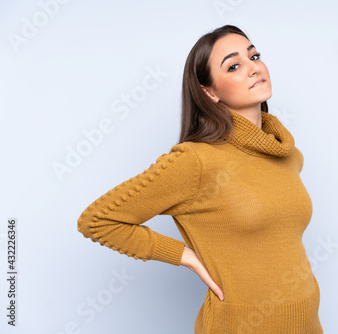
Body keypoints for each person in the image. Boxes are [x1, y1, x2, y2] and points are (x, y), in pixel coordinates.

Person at [77, 24, 323, 333]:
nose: (254, 69)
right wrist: (187, 257)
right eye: (234, 66)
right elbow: (96, 220)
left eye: (254, 56)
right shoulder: (196, 161)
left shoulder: (287, 155)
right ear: (209, 92)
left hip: (306, 322)